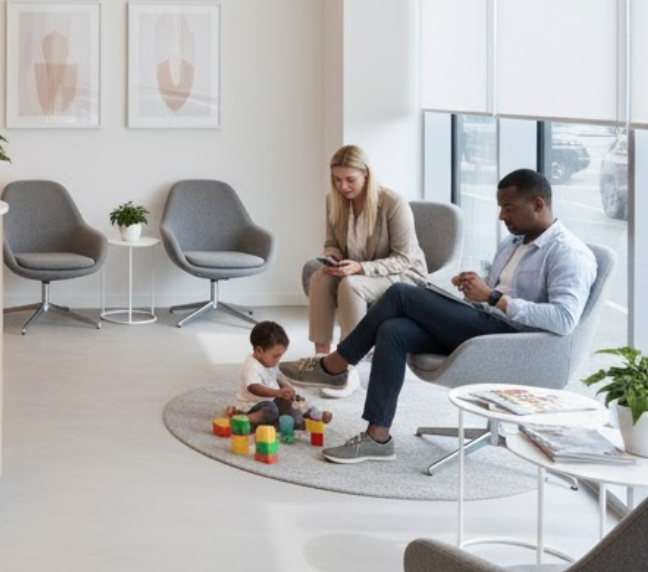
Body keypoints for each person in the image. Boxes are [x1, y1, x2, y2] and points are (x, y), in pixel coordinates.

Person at [281, 168, 597, 464]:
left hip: (509, 339)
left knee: (400, 293)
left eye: (509, 208)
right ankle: (377, 438)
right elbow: (499, 289)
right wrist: (478, 286)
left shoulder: (568, 253)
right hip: (482, 320)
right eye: (500, 207)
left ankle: (336, 365)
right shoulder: (514, 241)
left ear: (538, 204)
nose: (502, 216)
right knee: (393, 329)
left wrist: (493, 297)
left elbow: (564, 319)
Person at [306, 145, 427, 397]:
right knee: (320, 278)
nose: (343, 186)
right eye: (337, 180)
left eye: (350, 180)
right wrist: (333, 259)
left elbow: (404, 258)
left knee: (351, 285)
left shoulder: (393, 203)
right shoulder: (335, 201)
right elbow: (332, 243)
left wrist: (361, 267)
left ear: (367, 175)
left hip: (402, 275)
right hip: (359, 271)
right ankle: (321, 360)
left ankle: (346, 367)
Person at [229, 321, 331, 428]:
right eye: (276, 356)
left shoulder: (269, 362)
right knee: (270, 411)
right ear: (259, 351)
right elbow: (254, 388)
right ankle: (243, 419)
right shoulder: (251, 366)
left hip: (272, 400)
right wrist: (277, 392)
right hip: (252, 406)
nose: (278, 361)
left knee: (292, 402)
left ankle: (306, 417)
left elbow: (276, 378)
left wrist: (286, 388)